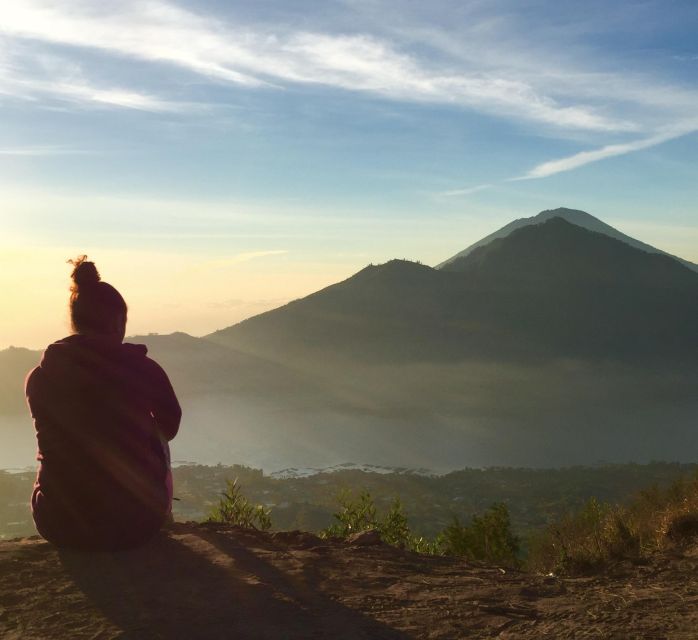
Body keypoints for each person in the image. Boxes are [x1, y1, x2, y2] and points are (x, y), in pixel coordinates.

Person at [25, 256, 181, 550]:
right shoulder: (145, 369)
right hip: (137, 523)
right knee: (158, 436)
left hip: (57, 523)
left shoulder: (40, 377)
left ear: (74, 323)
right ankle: (165, 516)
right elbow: (169, 429)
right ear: (118, 322)